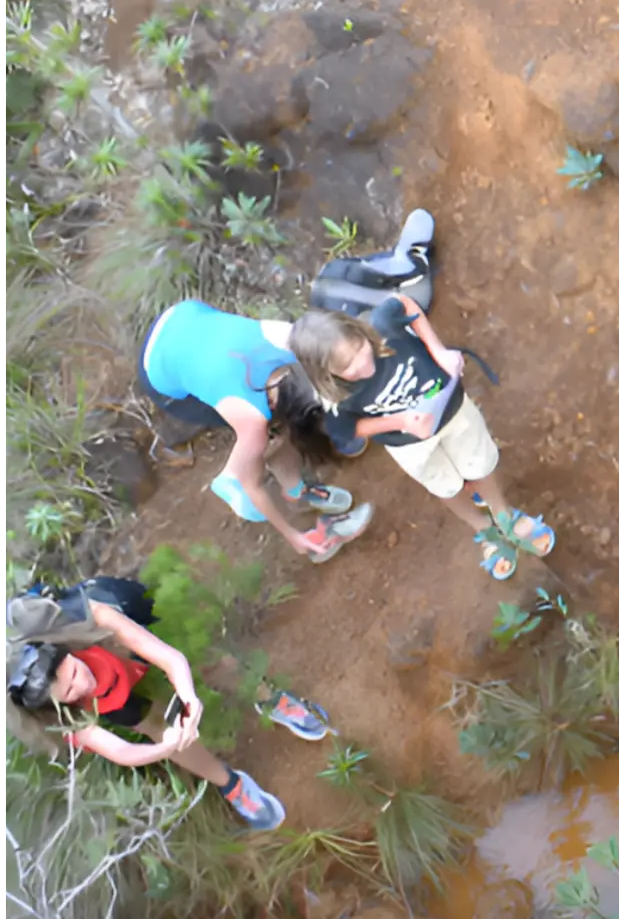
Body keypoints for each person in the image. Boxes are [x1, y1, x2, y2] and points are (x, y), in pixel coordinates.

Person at [6, 590, 331, 832]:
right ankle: (230, 783)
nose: (82, 684)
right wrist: (166, 747)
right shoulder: (60, 718)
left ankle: (270, 698)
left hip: (124, 648)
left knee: (211, 660)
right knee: (157, 725)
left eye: (75, 672)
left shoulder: (91, 616)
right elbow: (121, 751)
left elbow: (166, 655)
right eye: (71, 692)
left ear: (67, 652)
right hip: (115, 699)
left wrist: (188, 695)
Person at [290, 296, 555, 580]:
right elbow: (349, 430)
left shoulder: (382, 325)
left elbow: (405, 303)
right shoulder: (333, 396)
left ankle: (504, 515)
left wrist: (439, 351)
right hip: (409, 444)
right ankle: (483, 528)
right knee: (445, 486)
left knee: (480, 464)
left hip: (453, 410)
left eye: (358, 348)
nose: (361, 363)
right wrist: (400, 422)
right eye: (346, 367)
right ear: (325, 374)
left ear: (358, 330)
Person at [137, 299, 373, 561]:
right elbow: (255, 487)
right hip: (160, 372)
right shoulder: (250, 415)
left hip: (185, 319)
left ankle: (296, 490)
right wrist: (293, 536)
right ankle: (230, 478)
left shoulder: (289, 339)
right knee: (268, 437)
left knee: (275, 432)